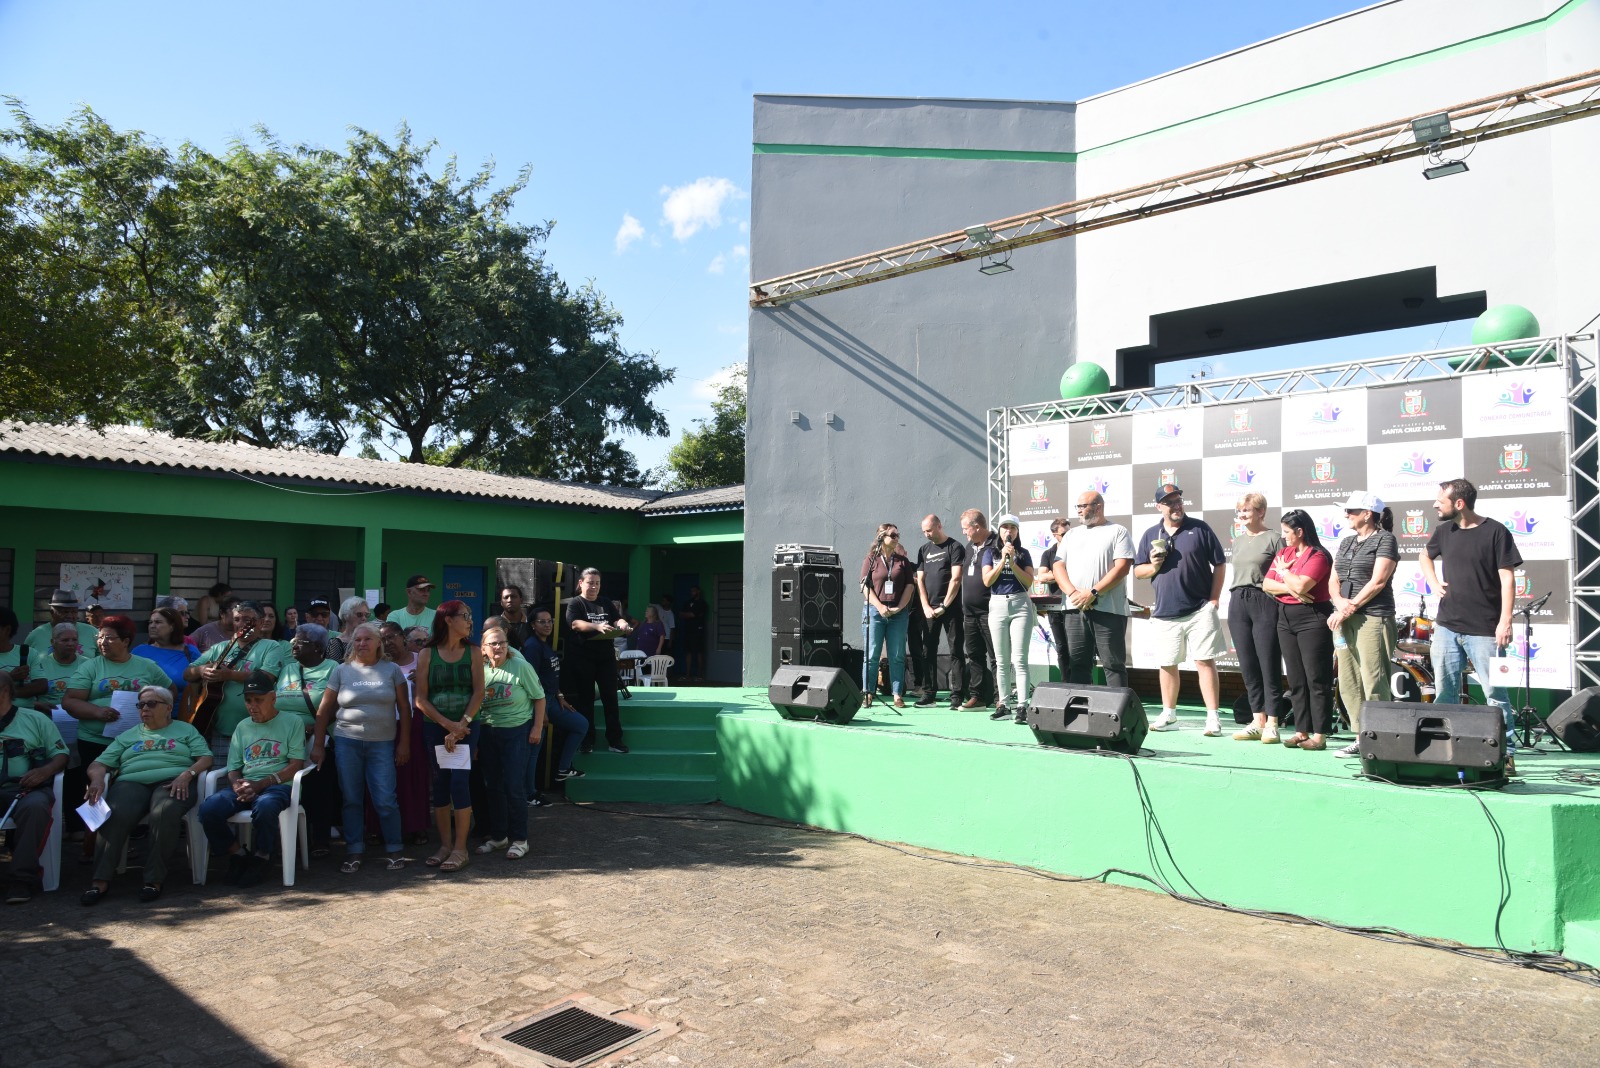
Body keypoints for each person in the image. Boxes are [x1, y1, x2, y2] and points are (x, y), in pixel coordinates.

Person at [1418, 478, 1522, 761]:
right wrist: (1433, 582)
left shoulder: (1496, 531)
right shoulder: (1444, 531)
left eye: (1440, 501)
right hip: (1446, 626)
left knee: (1495, 694)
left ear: (1459, 503)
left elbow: (1508, 580)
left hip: (1486, 630)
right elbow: (1424, 556)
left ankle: (1507, 753)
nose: (1435, 505)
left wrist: (1505, 621)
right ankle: (1445, 750)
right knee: (1445, 693)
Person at [80, 685, 210, 905]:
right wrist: (97, 779)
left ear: (168, 708)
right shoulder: (128, 735)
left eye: (151, 703)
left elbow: (205, 758)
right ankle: (100, 880)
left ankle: (153, 879)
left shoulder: (185, 730)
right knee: (114, 812)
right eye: (140, 705)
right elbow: (99, 763)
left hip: (173, 781)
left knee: (164, 811)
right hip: (131, 782)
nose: (145, 709)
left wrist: (187, 775)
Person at [310, 622, 411, 872]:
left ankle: (394, 848)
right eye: (357, 640)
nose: (362, 643)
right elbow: (324, 711)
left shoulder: (391, 670)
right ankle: (354, 850)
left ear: (378, 643)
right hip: (347, 742)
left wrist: (404, 743)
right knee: (351, 799)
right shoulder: (341, 671)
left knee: (385, 799)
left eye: (367, 639)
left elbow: (404, 709)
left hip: (382, 744)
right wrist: (319, 745)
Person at [197, 670, 307, 887]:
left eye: (259, 700)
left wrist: (261, 784)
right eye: (248, 700)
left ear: (273, 698)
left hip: (278, 785)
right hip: (248, 784)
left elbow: (296, 765)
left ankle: (263, 856)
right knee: (208, 809)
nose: (252, 706)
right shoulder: (242, 726)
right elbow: (233, 768)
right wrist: (237, 785)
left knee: (266, 806)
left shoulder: (293, 722)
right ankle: (237, 854)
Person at [1134, 483, 1229, 734]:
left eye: (1178, 501)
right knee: (1167, 664)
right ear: (1159, 507)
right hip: (1165, 611)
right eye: (1170, 502)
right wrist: (1154, 566)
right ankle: (1169, 715)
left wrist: (1214, 598)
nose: (1176, 506)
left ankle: (1213, 717)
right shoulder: (1151, 534)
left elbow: (1220, 563)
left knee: (1204, 662)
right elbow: (1139, 571)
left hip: (1200, 609)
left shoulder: (1200, 528)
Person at [414, 601, 485, 871]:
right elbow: (420, 699)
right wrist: (448, 726)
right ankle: (445, 845)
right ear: (448, 620)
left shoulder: (474, 652)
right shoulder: (427, 654)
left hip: (467, 727)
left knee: (459, 782)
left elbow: (479, 692)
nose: (470, 621)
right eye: (465, 616)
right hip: (436, 727)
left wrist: (461, 725)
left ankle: (460, 848)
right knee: (441, 783)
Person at [1329, 491, 1400, 757]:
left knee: (1373, 680)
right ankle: (1361, 738)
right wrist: (1339, 603)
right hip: (1344, 617)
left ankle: (1381, 740)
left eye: (1351, 511)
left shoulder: (1385, 539)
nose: (1346, 515)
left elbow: (1378, 581)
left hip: (1373, 617)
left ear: (1367, 514)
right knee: (1348, 680)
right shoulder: (1347, 541)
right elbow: (1333, 578)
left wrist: (1349, 607)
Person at [1264, 509, 1336, 751]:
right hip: (1285, 617)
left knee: (1316, 677)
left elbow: (1304, 585)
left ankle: (1320, 734)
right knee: (1295, 678)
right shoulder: (1284, 553)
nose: (1283, 536)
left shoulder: (1318, 555)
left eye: (1287, 531)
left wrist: (1284, 572)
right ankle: (1301, 731)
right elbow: (1267, 584)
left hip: (1313, 617)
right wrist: (1291, 587)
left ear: (1300, 531)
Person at [1052, 492, 1136, 691]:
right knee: (1078, 665)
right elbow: (1057, 566)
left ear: (1098, 507)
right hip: (1075, 609)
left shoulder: (1118, 531)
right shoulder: (1071, 535)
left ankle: (1118, 709)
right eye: (1078, 507)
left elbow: (1122, 567)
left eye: (1083, 506)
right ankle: (1080, 708)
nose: (1079, 510)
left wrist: (1093, 592)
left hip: (1109, 610)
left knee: (1113, 665)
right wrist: (1074, 594)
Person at [0, 672, 71, 904]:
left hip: (24, 787)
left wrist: (45, 771)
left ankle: (21, 879)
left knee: (36, 807)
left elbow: (61, 754)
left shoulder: (35, 719)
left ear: (5, 691)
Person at [183, 600, 285, 761]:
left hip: (256, 729)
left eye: (247, 620)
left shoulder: (270, 646)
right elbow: (187, 674)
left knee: (252, 772)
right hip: (219, 729)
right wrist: (202, 670)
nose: (240, 624)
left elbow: (266, 677)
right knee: (219, 773)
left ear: (259, 623)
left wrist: (229, 675)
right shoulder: (220, 647)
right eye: (237, 619)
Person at [475, 627, 545, 859]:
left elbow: (539, 697)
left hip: (516, 731)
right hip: (487, 731)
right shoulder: (480, 669)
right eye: (493, 643)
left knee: (514, 786)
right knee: (492, 786)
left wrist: (536, 728)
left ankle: (520, 839)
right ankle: (499, 836)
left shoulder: (521, 666)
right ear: (483, 648)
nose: (499, 647)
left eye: (502, 642)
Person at [275, 623, 341, 852]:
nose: (294, 645)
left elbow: (338, 705)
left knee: (318, 789)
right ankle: (289, 841)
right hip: (285, 739)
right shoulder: (287, 669)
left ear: (317, 647)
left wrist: (315, 727)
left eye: (300, 641)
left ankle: (320, 840)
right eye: (293, 640)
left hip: (318, 738)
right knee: (288, 788)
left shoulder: (333, 668)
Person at [1227, 493, 1286, 744]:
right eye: (1240, 511)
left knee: (1268, 662)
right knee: (1248, 664)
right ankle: (1257, 719)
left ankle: (1273, 722)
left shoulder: (1275, 538)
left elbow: (1285, 573)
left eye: (1247, 510)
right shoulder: (1238, 540)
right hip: (1238, 601)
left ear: (1261, 512)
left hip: (1265, 600)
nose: (1242, 515)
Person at [563, 569, 632, 754]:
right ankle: (587, 740)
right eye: (590, 582)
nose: (594, 586)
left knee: (610, 698)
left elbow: (617, 619)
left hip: (606, 658)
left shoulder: (605, 602)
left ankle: (615, 740)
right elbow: (575, 624)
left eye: (597, 583)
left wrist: (622, 624)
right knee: (585, 700)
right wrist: (596, 626)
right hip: (583, 658)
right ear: (581, 583)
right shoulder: (576, 603)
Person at [523, 608, 590, 787]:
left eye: (549, 621)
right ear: (533, 625)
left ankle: (563, 768)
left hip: (552, 699)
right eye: (542, 622)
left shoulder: (544, 644)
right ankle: (529, 794)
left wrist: (560, 695)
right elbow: (532, 680)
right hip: (539, 701)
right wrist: (541, 712)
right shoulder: (532, 646)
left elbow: (550, 675)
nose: (547, 625)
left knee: (581, 725)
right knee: (534, 751)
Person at [379, 621, 431, 842]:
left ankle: (416, 825)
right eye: (383, 639)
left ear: (403, 637)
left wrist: (423, 681)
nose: (388, 643)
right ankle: (382, 828)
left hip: (416, 722)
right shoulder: (379, 664)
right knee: (386, 777)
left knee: (414, 777)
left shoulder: (421, 660)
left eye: (391, 637)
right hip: (385, 724)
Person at [982, 514, 1037, 722]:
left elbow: (1028, 581)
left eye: (1012, 528)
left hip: (1020, 603)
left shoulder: (1024, 553)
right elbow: (987, 580)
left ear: (1017, 531)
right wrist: (1003, 560)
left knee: (1020, 659)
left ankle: (1023, 706)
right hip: (997, 604)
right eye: (1005, 527)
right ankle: (1004, 705)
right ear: (999, 531)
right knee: (1001, 660)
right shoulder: (990, 552)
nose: (1008, 531)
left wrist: (1013, 563)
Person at [859, 523, 916, 709]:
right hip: (875, 612)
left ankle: (897, 694)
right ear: (881, 537)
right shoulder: (871, 559)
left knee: (897, 655)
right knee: (871, 655)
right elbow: (864, 586)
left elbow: (910, 586)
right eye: (893, 535)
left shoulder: (902, 561)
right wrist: (879, 606)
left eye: (898, 534)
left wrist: (899, 607)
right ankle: (868, 692)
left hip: (898, 614)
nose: (897, 537)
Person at [914, 514, 967, 708]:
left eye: (929, 530)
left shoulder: (955, 547)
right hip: (929, 610)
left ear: (939, 526)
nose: (926, 534)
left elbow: (956, 578)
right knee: (927, 650)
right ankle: (929, 695)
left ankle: (957, 696)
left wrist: (944, 605)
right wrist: (926, 606)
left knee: (956, 650)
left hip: (951, 609)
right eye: (924, 531)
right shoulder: (924, 550)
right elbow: (920, 580)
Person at [958, 509, 998, 709]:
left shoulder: (996, 545)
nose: (964, 532)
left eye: (966, 528)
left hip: (990, 611)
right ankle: (978, 696)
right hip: (970, 613)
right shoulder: (969, 547)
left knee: (997, 656)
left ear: (976, 527)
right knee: (974, 655)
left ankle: (1000, 699)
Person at [133, 607, 200, 704]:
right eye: (150, 622)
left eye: (158, 622)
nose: (152, 626)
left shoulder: (190, 652)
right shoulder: (139, 651)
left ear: (172, 626)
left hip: (180, 711)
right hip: (142, 710)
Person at [28, 623, 85, 713]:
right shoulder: (39, 663)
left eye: (74, 640)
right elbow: (24, 696)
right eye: (65, 640)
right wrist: (39, 705)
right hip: (45, 716)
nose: (70, 644)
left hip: (81, 715)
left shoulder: (87, 664)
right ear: (53, 642)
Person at [24, 589, 100, 651]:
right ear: (52, 613)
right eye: (65, 612)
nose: (70, 616)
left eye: (74, 612)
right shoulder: (36, 635)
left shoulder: (92, 632)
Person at [327, 597, 372, 663]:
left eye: (366, 615)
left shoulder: (372, 639)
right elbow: (335, 668)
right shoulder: (336, 643)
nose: (364, 618)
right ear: (346, 616)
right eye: (359, 614)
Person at [681, 585, 709, 681]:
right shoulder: (687, 602)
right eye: (691, 591)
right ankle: (687, 675)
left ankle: (700, 675)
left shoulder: (702, 603)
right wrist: (689, 615)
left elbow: (693, 614)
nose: (692, 593)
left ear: (698, 591)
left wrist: (690, 614)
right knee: (688, 651)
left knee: (699, 651)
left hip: (698, 630)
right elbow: (681, 614)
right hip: (688, 630)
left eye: (694, 591)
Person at [498, 585, 534, 651]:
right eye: (506, 597)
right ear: (501, 602)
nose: (510, 600)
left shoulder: (532, 624)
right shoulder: (495, 624)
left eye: (513, 597)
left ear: (521, 600)